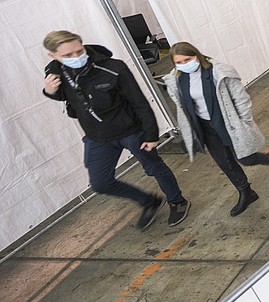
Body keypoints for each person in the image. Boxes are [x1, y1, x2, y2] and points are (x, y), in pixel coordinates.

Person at [42, 30, 189, 228]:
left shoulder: (113, 68)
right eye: (68, 55)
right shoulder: (56, 74)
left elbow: (140, 103)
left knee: (154, 167)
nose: (76, 57)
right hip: (97, 137)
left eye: (79, 51)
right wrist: (49, 92)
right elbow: (68, 97)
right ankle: (149, 201)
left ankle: (177, 201)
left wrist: (151, 134)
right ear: (53, 56)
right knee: (100, 183)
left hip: (131, 132)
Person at [163, 42, 269, 217]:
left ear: (196, 55)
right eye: (179, 62)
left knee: (245, 158)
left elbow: (241, 98)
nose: (184, 65)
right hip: (205, 126)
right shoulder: (177, 79)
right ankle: (246, 192)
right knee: (225, 163)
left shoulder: (218, 72)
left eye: (188, 59)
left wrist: (244, 121)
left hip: (227, 122)